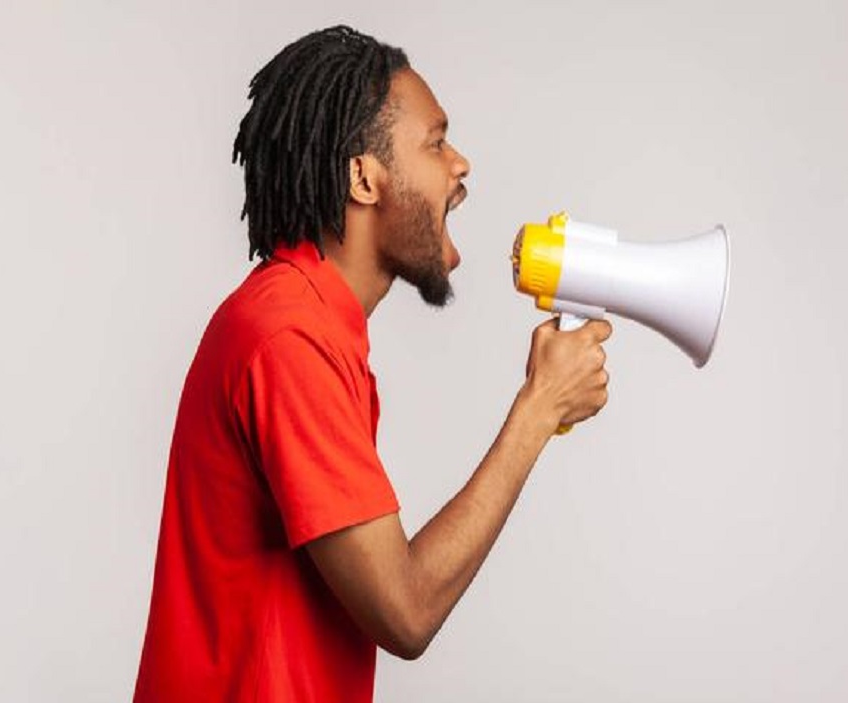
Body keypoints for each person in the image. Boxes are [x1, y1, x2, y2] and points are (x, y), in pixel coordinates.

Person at [134, 25, 611, 703]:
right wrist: (540, 408)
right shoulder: (288, 338)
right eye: (436, 142)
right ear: (364, 176)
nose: (461, 165)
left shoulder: (312, 327)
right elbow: (406, 609)